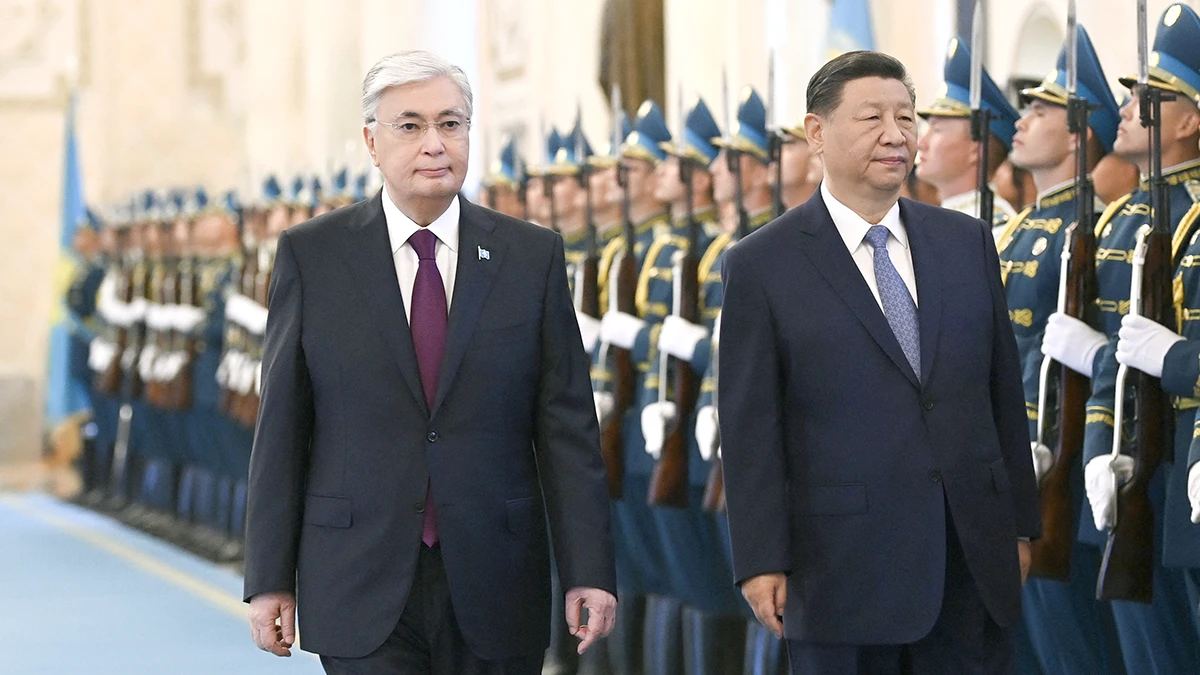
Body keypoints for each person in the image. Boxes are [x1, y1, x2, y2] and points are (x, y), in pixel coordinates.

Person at [243, 50, 617, 674]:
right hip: (358, 575)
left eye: (451, 123)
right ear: (371, 140)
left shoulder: (531, 257)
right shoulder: (315, 257)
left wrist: (590, 571)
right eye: (410, 125)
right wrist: (269, 578)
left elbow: (566, 430)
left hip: (495, 574)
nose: (434, 144)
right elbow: (282, 426)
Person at [717, 50, 1040, 674]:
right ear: (817, 133)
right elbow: (751, 427)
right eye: (872, 118)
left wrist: (1021, 525)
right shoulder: (762, 264)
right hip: (839, 569)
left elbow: (1001, 394)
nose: (896, 135)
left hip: (966, 558)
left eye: (906, 117)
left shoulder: (964, 242)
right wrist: (759, 558)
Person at [1042, 5, 1200, 672]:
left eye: (1152, 96)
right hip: (1150, 478)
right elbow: (1121, 356)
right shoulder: (1142, 223)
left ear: (1192, 119)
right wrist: (1107, 446)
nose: (1131, 105)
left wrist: (1176, 362)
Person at [999, 25, 1124, 675]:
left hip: (1058, 470)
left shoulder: (1092, 230)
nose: (1022, 120)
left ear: (1078, 135)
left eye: (1041, 110)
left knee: (1074, 653)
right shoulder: (1021, 230)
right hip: (1011, 467)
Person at [916, 38, 1019, 243]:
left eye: (936, 130)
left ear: (976, 149)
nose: (922, 143)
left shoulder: (996, 230)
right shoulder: (940, 219)